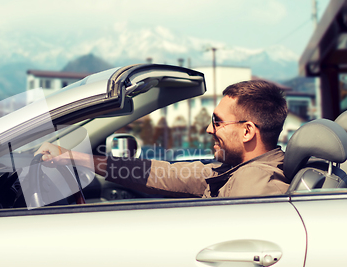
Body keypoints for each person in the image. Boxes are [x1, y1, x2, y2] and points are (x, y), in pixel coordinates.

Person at [35, 80, 289, 198]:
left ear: (247, 131)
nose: (209, 129)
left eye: (217, 122)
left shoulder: (259, 186)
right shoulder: (233, 171)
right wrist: (75, 158)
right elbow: (164, 173)